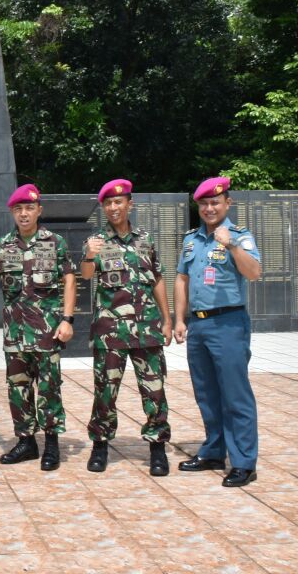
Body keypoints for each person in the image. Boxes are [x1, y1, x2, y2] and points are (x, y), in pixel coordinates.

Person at [79, 179, 173, 477]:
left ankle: (157, 446)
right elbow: (85, 275)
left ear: (129, 204)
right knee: (105, 391)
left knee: (154, 390)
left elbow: (157, 279)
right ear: (103, 208)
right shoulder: (96, 241)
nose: (113, 207)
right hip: (111, 331)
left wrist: (167, 319)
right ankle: (100, 444)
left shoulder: (146, 240)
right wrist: (89, 255)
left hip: (147, 329)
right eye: (108, 203)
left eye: (119, 202)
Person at [174, 176, 262, 487]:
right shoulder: (191, 241)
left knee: (235, 395)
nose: (209, 208)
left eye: (215, 202)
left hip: (228, 324)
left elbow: (254, 273)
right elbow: (181, 279)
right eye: (204, 203)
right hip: (198, 325)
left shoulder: (240, 236)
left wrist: (232, 245)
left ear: (228, 203)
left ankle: (243, 462)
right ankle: (213, 450)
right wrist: (180, 319)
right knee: (207, 394)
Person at [0, 184, 76, 471]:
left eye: (29, 208)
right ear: (12, 212)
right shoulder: (3, 244)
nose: (23, 214)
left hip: (47, 330)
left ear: (39, 211)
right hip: (16, 332)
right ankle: (26, 442)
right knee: (17, 388)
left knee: (49, 387)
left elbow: (69, 279)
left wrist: (67, 319)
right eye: (18, 209)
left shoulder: (55, 241)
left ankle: (51, 444)